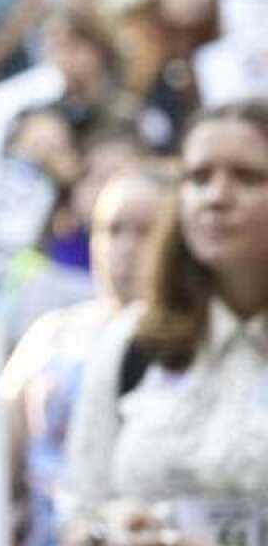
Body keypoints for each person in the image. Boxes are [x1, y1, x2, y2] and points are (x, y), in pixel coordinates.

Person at [62, 99, 268, 545]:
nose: (215, 197)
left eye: (248, 177)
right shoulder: (134, 339)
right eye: (198, 178)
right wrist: (108, 530)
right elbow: (80, 511)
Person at [0, 163, 172, 546]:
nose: (124, 248)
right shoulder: (51, 333)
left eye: (146, 231)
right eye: (111, 230)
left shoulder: (197, 348)